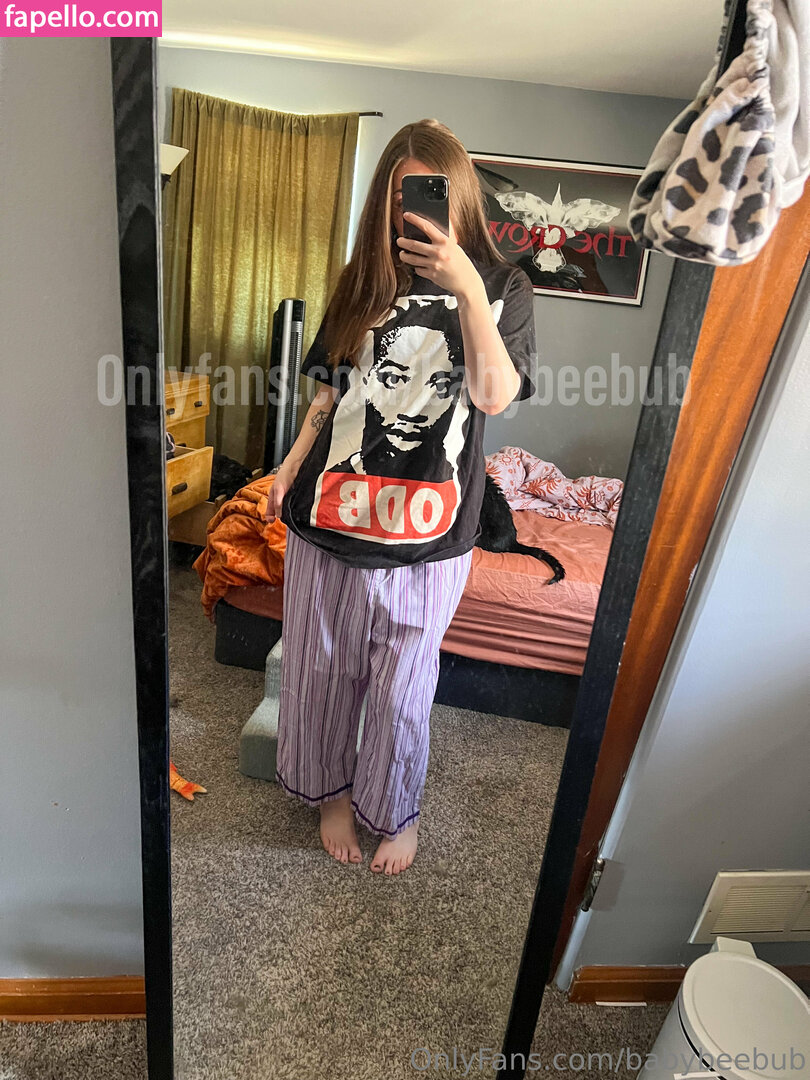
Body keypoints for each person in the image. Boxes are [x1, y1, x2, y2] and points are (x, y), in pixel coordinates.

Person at [265, 118, 536, 875]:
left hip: (430, 531)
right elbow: (330, 393)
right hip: (331, 513)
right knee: (320, 676)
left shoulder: (503, 285)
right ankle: (331, 796)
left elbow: (494, 395)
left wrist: (467, 288)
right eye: (398, 193)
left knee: (403, 691)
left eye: (429, 192)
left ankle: (395, 808)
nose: (410, 209)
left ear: (460, 194)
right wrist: (289, 464)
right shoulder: (363, 279)